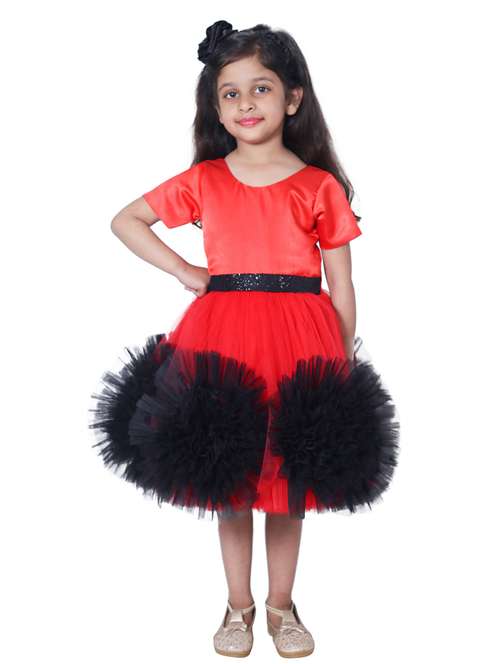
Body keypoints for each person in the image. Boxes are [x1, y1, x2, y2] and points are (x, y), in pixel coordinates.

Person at [88, 20, 400, 658]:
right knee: (227, 476)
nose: (245, 103)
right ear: (215, 105)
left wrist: (340, 366)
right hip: (224, 336)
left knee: (287, 483)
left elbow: (341, 285)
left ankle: (282, 606)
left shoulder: (317, 185)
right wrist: (186, 270)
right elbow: (127, 220)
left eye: (261, 88)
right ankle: (239, 606)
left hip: (300, 340)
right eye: (229, 93)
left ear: (293, 98)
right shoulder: (205, 179)